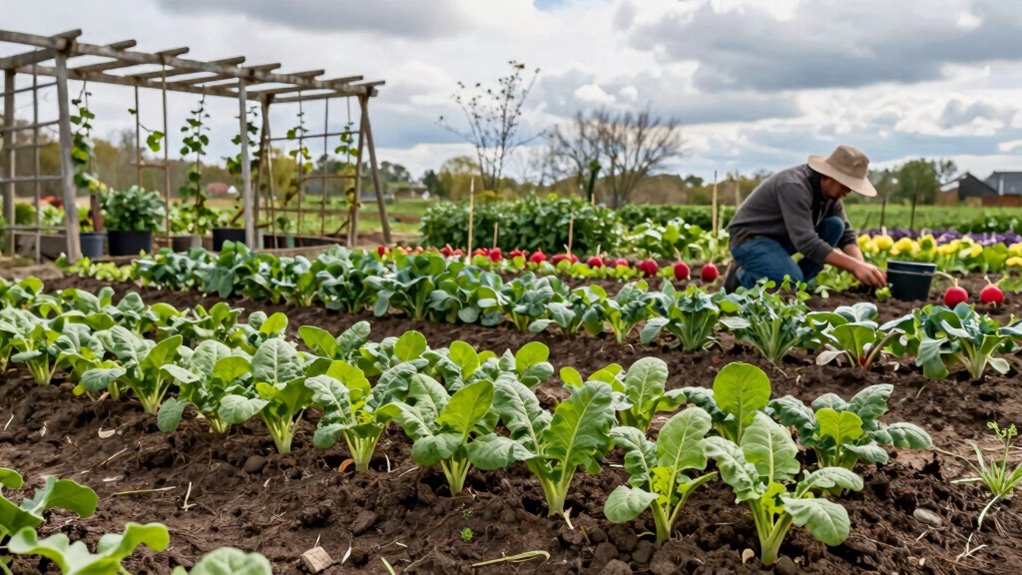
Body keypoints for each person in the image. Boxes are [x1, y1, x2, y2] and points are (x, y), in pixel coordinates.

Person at [723, 145, 887, 291]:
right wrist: (853, 266)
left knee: (835, 225)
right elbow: (806, 241)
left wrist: (863, 267)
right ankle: (740, 277)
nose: (849, 191)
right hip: (749, 239)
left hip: (780, 241)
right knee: (789, 280)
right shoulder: (794, 186)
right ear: (829, 176)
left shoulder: (830, 196)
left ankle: (795, 286)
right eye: (846, 185)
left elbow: (847, 235)